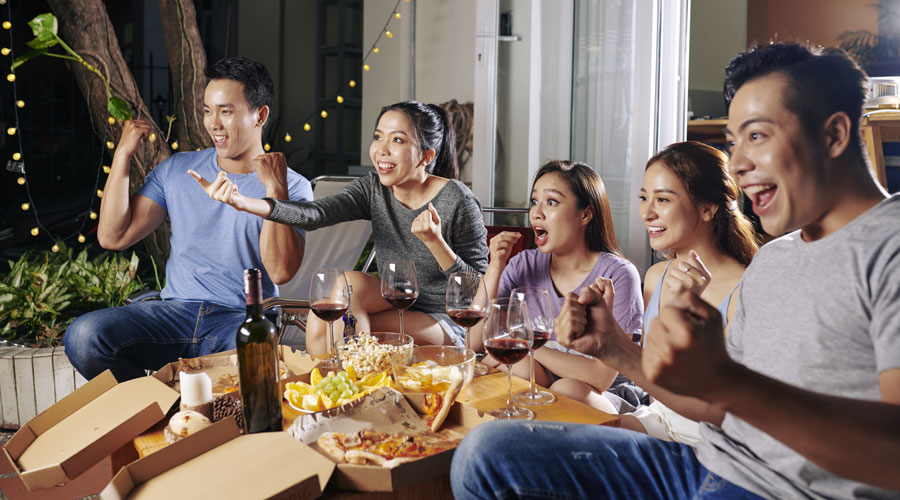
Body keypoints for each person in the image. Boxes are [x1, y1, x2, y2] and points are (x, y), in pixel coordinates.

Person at [451, 42, 900, 499]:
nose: (740, 165)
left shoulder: (889, 247)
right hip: (703, 463)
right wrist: (616, 349)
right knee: (487, 454)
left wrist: (729, 383)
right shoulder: (775, 259)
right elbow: (715, 408)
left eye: (758, 136)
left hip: (780, 491)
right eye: (734, 141)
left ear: (834, 134)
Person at [63, 57, 313, 382]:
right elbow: (114, 236)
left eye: (226, 111)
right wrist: (122, 155)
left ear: (260, 115)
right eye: (208, 110)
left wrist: (274, 189)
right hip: (173, 314)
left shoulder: (292, 186)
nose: (213, 123)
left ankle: (183, 418)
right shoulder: (178, 169)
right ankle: (159, 409)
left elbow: (281, 270)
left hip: (240, 320)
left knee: (250, 362)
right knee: (84, 337)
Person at [193, 100, 489, 352]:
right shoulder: (374, 188)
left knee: (337, 326)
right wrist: (243, 202)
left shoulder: (458, 201)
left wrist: (436, 242)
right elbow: (314, 213)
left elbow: (478, 289)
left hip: (446, 321)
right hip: (397, 302)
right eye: (378, 137)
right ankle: (335, 390)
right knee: (347, 288)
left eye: (397, 140)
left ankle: (346, 392)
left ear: (427, 156)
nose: (382, 150)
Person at [612, 141, 758, 443]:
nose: (646, 213)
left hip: (709, 440)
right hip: (658, 419)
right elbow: (652, 379)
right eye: (644, 197)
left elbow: (734, 405)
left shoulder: (744, 290)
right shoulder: (655, 276)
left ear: (707, 209)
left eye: (663, 200)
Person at [474, 160, 642, 411]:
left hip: (600, 396)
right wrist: (495, 267)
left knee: (565, 388)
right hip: (540, 386)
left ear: (585, 214)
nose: (536, 213)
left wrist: (524, 343)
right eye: (534, 201)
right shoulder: (523, 265)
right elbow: (473, 342)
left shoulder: (617, 274)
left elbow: (601, 378)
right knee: (519, 367)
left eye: (551, 202)